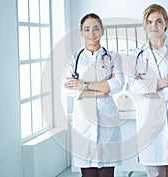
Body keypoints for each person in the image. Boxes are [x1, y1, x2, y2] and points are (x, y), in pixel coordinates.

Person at [128, 4, 168, 177]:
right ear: (145, 25)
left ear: (166, 23)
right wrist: (162, 82)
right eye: (150, 22)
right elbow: (133, 85)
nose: (154, 26)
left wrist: (156, 93)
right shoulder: (137, 54)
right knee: (154, 171)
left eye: (158, 21)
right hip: (150, 119)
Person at [63, 13, 124, 177]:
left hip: (107, 122)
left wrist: (82, 86)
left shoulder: (113, 57)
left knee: (107, 173)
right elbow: (69, 90)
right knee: (88, 173)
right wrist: (103, 89)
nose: (92, 33)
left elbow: (117, 85)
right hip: (83, 123)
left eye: (96, 28)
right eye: (87, 29)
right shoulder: (74, 59)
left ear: (102, 31)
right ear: (81, 32)